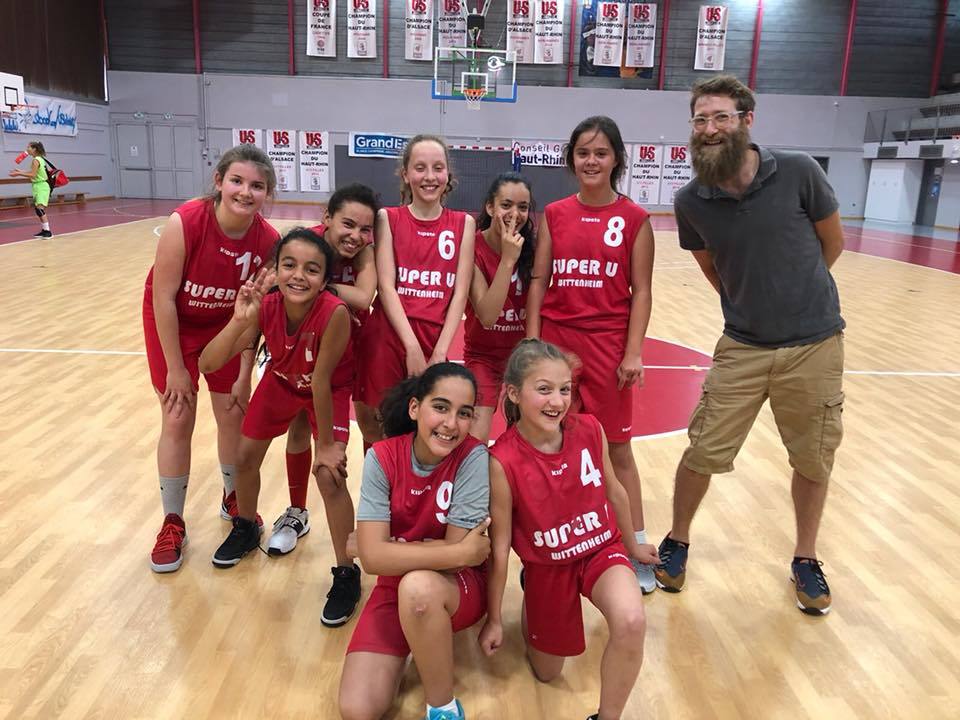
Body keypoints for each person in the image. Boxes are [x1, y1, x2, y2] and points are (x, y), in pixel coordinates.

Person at [656, 74, 846, 616]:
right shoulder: (691, 201)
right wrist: (752, 305)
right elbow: (712, 269)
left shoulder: (799, 171)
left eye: (721, 116)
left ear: (746, 121)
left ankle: (806, 557)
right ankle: (678, 539)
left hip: (814, 343)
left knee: (813, 457)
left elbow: (832, 243)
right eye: (700, 119)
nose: (710, 128)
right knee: (703, 449)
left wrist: (794, 296)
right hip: (742, 345)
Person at [481, 339, 658, 720]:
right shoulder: (502, 460)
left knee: (632, 621)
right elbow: (500, 547)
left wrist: (632, 545)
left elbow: (615, 490)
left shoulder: (590, 428)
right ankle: (532, 596)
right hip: (548, 566)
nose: (557, 401)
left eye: (565, 389)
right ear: (514, 393)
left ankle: (607, 716)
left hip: (600, 550)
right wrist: (494, 619)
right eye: (544, 389)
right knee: (547, 672)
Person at [197, 227, 363, 624]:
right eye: (289, 265)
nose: (298, 276)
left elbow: (321, 381)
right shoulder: (266, 305)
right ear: (276, 269)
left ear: (324, 279)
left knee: (329, 476)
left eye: (311, 269)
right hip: (283, 381)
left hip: (327, 389)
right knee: (243, 457)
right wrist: (238, 320)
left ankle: (347, 572)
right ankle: (246, 526)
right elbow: (207, 363)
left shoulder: (335, 313)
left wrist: (327, 445)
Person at [525, 116, 657, 592]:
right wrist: (533, 344)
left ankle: (635, 543)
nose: (591, 161)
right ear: (572, 159)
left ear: (616, 159)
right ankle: (558, 539)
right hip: (558, 343)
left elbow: (641, 292)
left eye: (601, 153)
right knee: (551, 443)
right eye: (583, 152)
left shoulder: (636, 219)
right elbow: (539, 280)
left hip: (606, 346)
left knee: (616, 448)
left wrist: (633, 352)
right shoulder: (555, 213)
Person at [143, 144, 279, 574]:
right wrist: (177, 369)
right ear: (219, 181)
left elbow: (253, 315)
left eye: (257, 186)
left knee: (233, 414)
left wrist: (244, 375)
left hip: (226, 325)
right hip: (175, 323)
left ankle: (231, 496)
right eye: (237, 181)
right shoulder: (185, 222)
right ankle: (172, 521)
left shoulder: (268, 241)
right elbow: (164, 298)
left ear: (267, 193)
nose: (245, 192)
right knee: (178, 415)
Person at [338, 363, 491, 720]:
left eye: (464, 413)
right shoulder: (382, 456)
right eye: (440, 407)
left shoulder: (473, 457)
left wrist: (386, 549)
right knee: (356, 709)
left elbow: (456, 562)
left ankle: (443, 708)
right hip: (395, 585)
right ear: (414, 408)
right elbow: (376, 562)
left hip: (459, 584)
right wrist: (457, 550)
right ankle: (417, 637)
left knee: (419, 590)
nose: (451, 423)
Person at [259, 185, 379, 625]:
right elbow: (270, 289)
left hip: (348, 359)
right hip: (300, 355)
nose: (355, 235)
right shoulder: (302, 243)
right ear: (327, 218)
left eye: (364, 228)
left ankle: (349, 567)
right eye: (347, 224)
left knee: (335, 465)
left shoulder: (361, 253)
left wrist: (312, 282)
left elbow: (364, 298)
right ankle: (295, 513)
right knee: (295, 430)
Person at [354, 135, 476, 449]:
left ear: (448, 174)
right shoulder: (388, 218)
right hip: (389, 335)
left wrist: (440, 352)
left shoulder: (464, 223)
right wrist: (410, 345)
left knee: (426, 428)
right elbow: (387, 286)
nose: (429, 176)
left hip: (435, 339)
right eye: (420, 168)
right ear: (406, 174)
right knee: (379, 427)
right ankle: (378, 480)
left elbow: (460, 293)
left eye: (438, 168)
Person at [464, 171, 535, 442]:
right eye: (506, 205)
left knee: (527, 438)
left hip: (524, 356)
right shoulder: (472, 247)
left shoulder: (535, 248)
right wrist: (507, 260)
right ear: (490, 207)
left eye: (523, 207)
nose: (515, 214)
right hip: (483, 355)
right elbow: (487, 316)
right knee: (476, 439)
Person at [8, 141, 52, 238]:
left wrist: (18, 174)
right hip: (39, 185)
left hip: (41, 186)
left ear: (34, 149)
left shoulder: (36, 160)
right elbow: (34, 172)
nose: (27, 149)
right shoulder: (39, 158)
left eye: (29, 147)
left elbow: (33, 174)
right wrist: (21, 171)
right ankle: (45, 230)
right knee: (38, 209)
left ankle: (48, 232)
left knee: (39, 209)